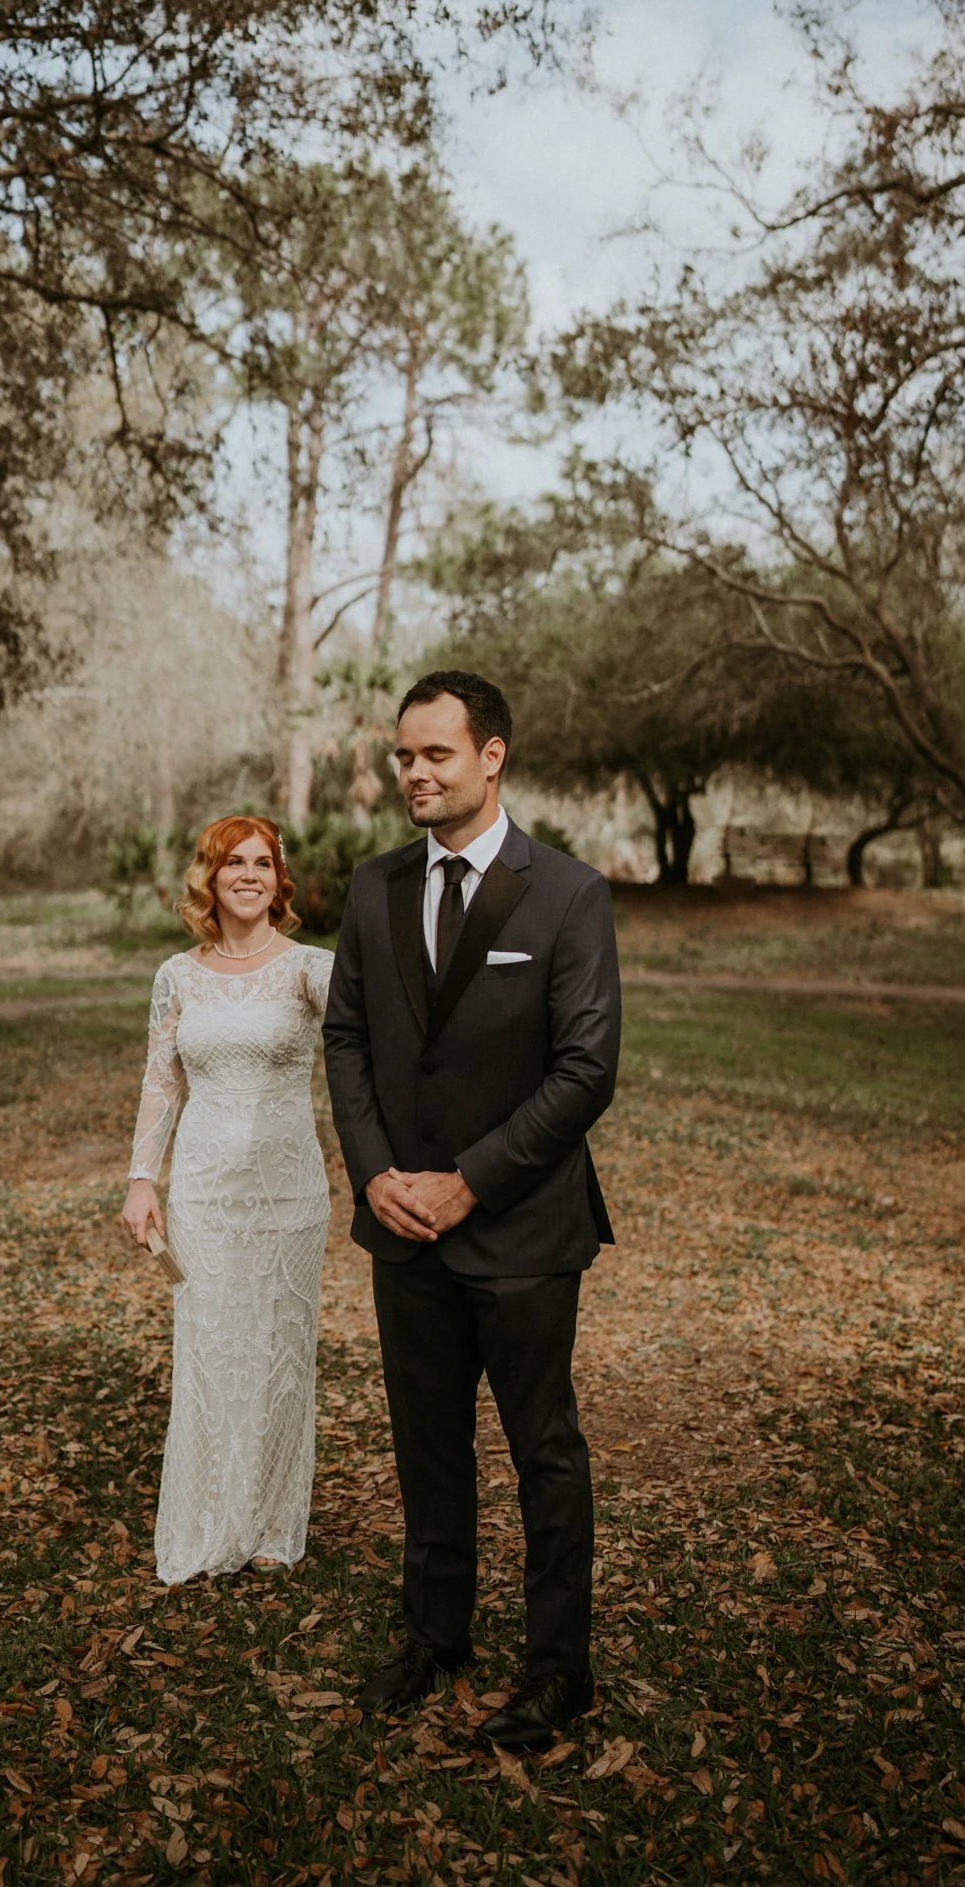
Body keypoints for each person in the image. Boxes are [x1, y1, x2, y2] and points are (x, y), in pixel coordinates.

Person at [323, 670, 621, 1753]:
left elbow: (586, 1070)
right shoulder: (374, 887)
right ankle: (434, 1635)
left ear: (491, 757)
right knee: (427, 1444)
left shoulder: (568, 894)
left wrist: (471, 1179)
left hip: (523, 1228)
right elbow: (347, 1037)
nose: (415, 772)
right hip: (402, 1225)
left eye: (436, 754)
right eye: (404, 755)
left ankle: (558, 1671)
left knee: (545, 1452)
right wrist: (374, 1174)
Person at [123, 815, 334, 1584]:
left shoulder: (312, 969)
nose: (248, 875)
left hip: (287, 1192)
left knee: (279, 1350)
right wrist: (141, 1179)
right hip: (205, 1191)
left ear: (280, 881)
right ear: (208, 879)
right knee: (211, 1348)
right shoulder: (178, 976)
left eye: (262, 863)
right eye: (232, 863)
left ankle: (273, 1522)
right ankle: (210, 1517)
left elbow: (374, 1044)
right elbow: (161, 1081)